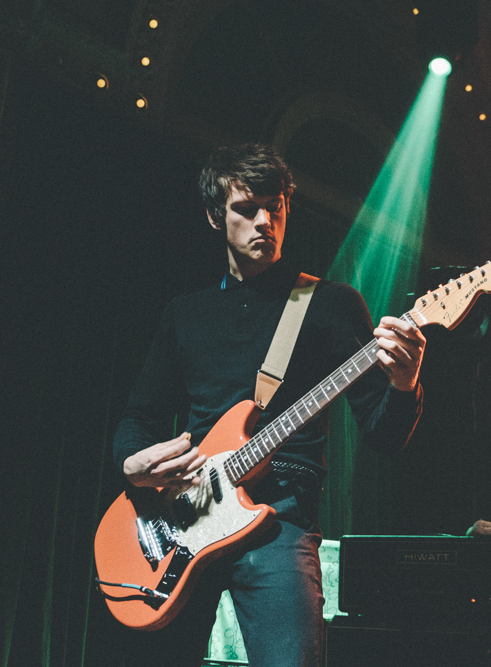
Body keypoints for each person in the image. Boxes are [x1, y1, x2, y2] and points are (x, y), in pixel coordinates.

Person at [111, 143, 426, 666]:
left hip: (279, 521)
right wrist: (132, 463)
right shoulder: (184, 314)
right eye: (246, 208)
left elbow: (383, 436)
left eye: (274, 208)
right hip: (181, 519)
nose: (264, 221)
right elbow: (137, 418)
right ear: (216, 216)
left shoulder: (328, 304)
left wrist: (405, 384)